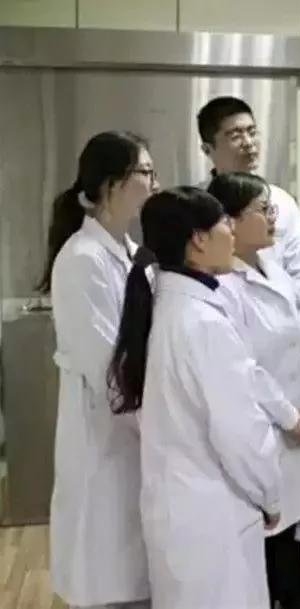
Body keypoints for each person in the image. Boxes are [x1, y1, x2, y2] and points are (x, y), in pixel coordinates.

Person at [108, 187, 283, 609]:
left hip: (181, 510)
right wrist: (271, 495)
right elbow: (240, 431)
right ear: (199, 240)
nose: (232, 230)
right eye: (225, 222)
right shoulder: (202, 322)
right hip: (213, 515)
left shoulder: (167, 307)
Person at [41, 130, 159, 609]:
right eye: (145, 172)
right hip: (107, 437)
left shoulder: (132, 254)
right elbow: (109, 370)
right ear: (112, 184)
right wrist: (160, 431)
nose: (154, 183)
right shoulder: (82, 260)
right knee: (109, 571)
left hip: (137, 435)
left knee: (137, 573)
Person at [208, 172, 300, 609]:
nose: (273, 217)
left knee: (288, 546)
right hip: (262, 433)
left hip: (297, 427)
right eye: (262, 209)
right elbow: (245, 368)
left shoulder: (274, 268)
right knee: (266, 554)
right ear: (230, 221)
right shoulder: (221, 286)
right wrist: (290, 417)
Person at [196, 96, 300, 307]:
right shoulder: (196, 204)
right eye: (235, 136)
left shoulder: (282, 202)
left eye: (252, 132)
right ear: (207, 149)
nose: (248, 143)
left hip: (277, 313)